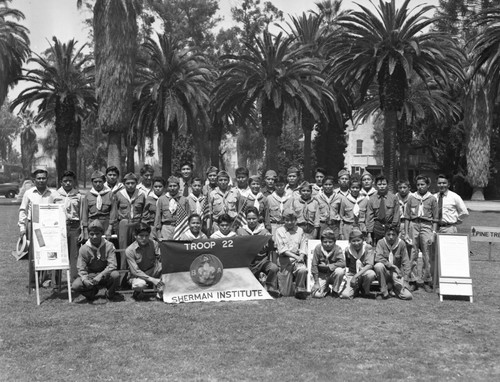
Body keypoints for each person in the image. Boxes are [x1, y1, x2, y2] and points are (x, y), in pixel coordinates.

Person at [18, 168, 57, 289]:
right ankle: (33, 281)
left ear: (47, 179)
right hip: (33, 225)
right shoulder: (29, 193)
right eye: (39, 178)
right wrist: (22, 228)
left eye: (43, 178)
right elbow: (23, 210)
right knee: (34, 255)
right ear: (34, 180)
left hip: (48, 226)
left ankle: (46, 280)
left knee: (48, 252)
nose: (41, 180)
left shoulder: (52, 194)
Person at [404, 175, 438, 292]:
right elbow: (407, 216)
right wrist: (406, 233)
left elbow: (435, 217)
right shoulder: (411, 198)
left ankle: (426, 280)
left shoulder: (432, 199)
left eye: (422, 184)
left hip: (427, 225)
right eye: (418, 184)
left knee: (427, 253)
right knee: (412, 253)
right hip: (414, 225)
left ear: (428, 185)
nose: (420, 187)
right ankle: (412, 280)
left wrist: (433, 232)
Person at [71, 220, 121, 302]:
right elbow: (81, 267)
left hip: (105, 275)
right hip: (91, 275)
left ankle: (110, 293)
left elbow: (112, 265)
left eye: (97, 234)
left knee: (116, 275)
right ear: (89, 234)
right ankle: (91, 293)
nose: (94, 236)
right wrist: (84, 279)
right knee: (76, 285)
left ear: (102, 234)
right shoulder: (83, 249)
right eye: (92, 234)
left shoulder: (109, 246)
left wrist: (101, 275)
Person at [236, 207, 279, 297]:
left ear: (258, 218)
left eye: (254, 218)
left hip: (261, 261)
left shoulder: (264, 231)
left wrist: (270, 240)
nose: (251, 221)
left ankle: (269, 287)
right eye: (249, 219)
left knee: (273, 268)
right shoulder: (240, 231)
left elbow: (270, 249)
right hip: (246, 263)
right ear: (246, 219)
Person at [110, 172, 145, 268]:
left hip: (137, 223)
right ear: (124, 184)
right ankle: (123, 273)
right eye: (128, 183)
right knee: (124, 248)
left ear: (136, 183)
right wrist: (114, 227)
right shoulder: (119, 194)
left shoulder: (141, 195)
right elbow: (114, 212)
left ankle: (137, 272)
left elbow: (144, 210)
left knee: (137, 248)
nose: (130, 185)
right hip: (124, 223)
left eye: (132, 183)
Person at [54, 170, 83, 281]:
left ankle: (74, 280)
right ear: (61, 182)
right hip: (59, 227)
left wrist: (82, 229)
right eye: (65, 181)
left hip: (74, 226)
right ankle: (56, 281)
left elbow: (81, 214)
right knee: (58, 253)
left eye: (70, 181)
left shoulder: (78, 195)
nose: (67, 183)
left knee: (74, 255)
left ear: (73, 182)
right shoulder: (55, 195)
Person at [275, 209, 308, 299]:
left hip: (297, 260)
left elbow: (303, 245)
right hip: (284, 260)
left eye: (292, 220)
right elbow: (282, 250)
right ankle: (289, 286)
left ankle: (300, 289)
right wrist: (296, 257)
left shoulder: (300, 230)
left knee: (302, 270)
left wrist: (301, 256)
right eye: (287, 220)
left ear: (296, 220)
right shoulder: (279, 231)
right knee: (286, 293)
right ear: (283, 220)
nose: (290, 222)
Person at [125, 223, 163, 300]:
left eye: (146, 235)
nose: (144, 238)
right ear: (135, 236)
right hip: (138, 275)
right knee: (139, 284)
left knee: (166, 268)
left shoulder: (154, 243)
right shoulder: (129, 250)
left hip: (152, 270)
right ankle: (138, 292)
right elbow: (135, 271)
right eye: (141, 236)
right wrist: (153, 280)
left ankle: (160, 292)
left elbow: (161, 258)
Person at [374, 225, 413, 300]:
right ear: (384, 234)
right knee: (378, 266)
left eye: (393, 234)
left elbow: (406, 262)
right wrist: (392, 266)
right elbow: (378, 257)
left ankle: (394, 289)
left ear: (397, 235)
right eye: (388, 234)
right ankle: (384, 292)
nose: (391, 237)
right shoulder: (381, 242)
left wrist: (406, 279)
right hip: (385, 272)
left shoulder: (401, 244)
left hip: (396, 274)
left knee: (408, 296)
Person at [339, 228, 376, 299]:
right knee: (345, 295)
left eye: (358, 240)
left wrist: (355, 276)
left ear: (363, 240)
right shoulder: (347, 250)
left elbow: (369, 265)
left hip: (363, 273)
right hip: (352, 274)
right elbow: (347, 265)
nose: (356, 243)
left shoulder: (368, 248)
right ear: (350, 241)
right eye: (353, 241)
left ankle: (365, 290)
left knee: (371, 274)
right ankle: (355, 289)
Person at [310, 229, 346, 298]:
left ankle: (335, 290)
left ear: (334, 242)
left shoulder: (338, 249)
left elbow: (342, 263)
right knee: (316, 295)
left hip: (333, 274)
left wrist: (329, 266)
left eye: (330, 242)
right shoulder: (318, 248)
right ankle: (326, 289)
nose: (327, 244)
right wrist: (316, 283)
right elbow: (314, 265)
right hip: (322, 275)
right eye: (325, 242)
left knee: (340, 271)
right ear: (321, 242)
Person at [366, 175, 400, 244]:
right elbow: (369, 217)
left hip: (390, 226)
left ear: (387, 185)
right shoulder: (371, 199)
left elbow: (396, 214)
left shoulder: (393, 198)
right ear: (375, 186)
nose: (382, 186)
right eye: (379, 184)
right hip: (377, 227)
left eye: (384, 184)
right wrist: (369, 234)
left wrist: (394, 228)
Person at [82, 170, 114, 241]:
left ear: (104, 182)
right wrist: (85, 230)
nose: (98, 184)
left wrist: (110, 228)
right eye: (95, 182)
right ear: (92, 182)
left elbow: (113, 212)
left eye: (100, 182)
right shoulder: (88, 195)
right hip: (92, 223)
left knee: (106, 245)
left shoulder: (109, 194)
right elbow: (85, 213)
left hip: (105, 222)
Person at [155, 176, 187, 241]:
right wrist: (158, 233)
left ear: (178, 187)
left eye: (175, 186)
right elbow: (158, 217)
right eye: (170, 186)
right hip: (166, 227)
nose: (172, 188)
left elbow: (188, 216)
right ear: (167, 187)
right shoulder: (161, 199)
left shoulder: (184, 199)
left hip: (180, 227)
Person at [339, 176, 368, 240]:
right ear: (349, 188)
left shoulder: (365, 200)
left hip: (361, 227)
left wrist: (367, 231)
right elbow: (341, 217)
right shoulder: (345, 200)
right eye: (353, 188)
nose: (355, 190)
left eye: (357, 188)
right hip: (348, 227)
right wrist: (341, 233)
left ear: (360, 188)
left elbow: (367, 217)